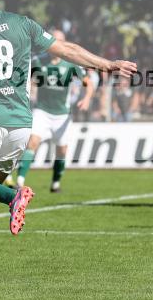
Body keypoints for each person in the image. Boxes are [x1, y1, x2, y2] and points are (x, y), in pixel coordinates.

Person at [0, 0, 136, 268]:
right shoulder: (23, 23)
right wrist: (106, 64)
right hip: (20, 123)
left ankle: (15, 196)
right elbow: (67, 49)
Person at [12, 29, 95, 192]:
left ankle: (55, 183)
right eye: (53, 40)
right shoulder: (38, 60)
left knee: (61, 150)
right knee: (33, 142)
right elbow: (23, 80)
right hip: (41, 111)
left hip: (62, 114)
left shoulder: (71, 63)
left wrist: (86, 99)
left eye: (59, 41)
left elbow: (88, 83)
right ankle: (20, 182)